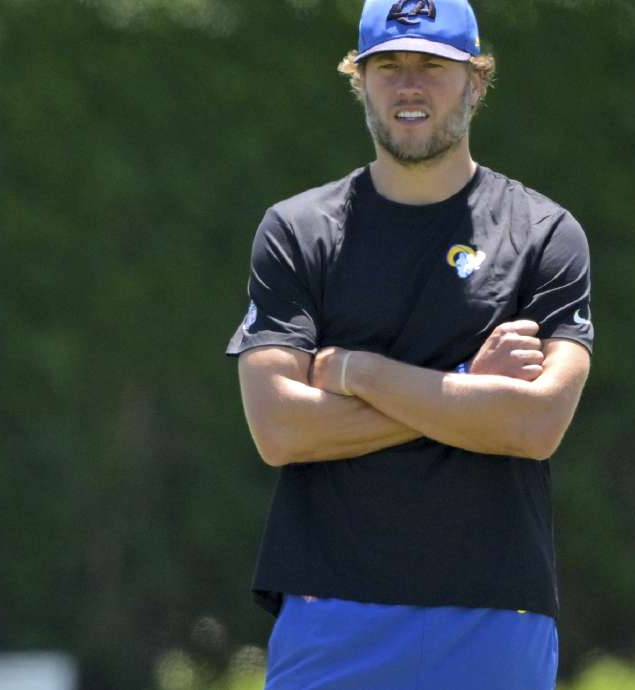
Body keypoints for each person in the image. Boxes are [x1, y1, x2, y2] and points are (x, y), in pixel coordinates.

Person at [226, 1, 593, 688]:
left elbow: (536, 422)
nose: (410, 86)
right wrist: (466, 388)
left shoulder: (545, 233)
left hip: (494, 615)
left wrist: (353, 370)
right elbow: (278, 428)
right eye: (388, 66)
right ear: (359, 82)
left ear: (476, 82)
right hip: (329, 613)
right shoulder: (298, 231)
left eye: (433, 65)